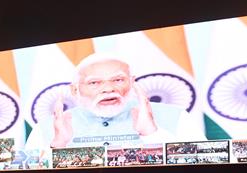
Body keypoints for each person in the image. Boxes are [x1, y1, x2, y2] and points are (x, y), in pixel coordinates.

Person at [25, 53, 204, 149]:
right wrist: (58, 146)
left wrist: (152, 134)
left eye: (118, 80)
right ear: (75, 89)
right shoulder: (47, 127)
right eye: (94, 82)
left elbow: (206, 169)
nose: (108, 89)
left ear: (132, 82)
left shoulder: (176, 116)